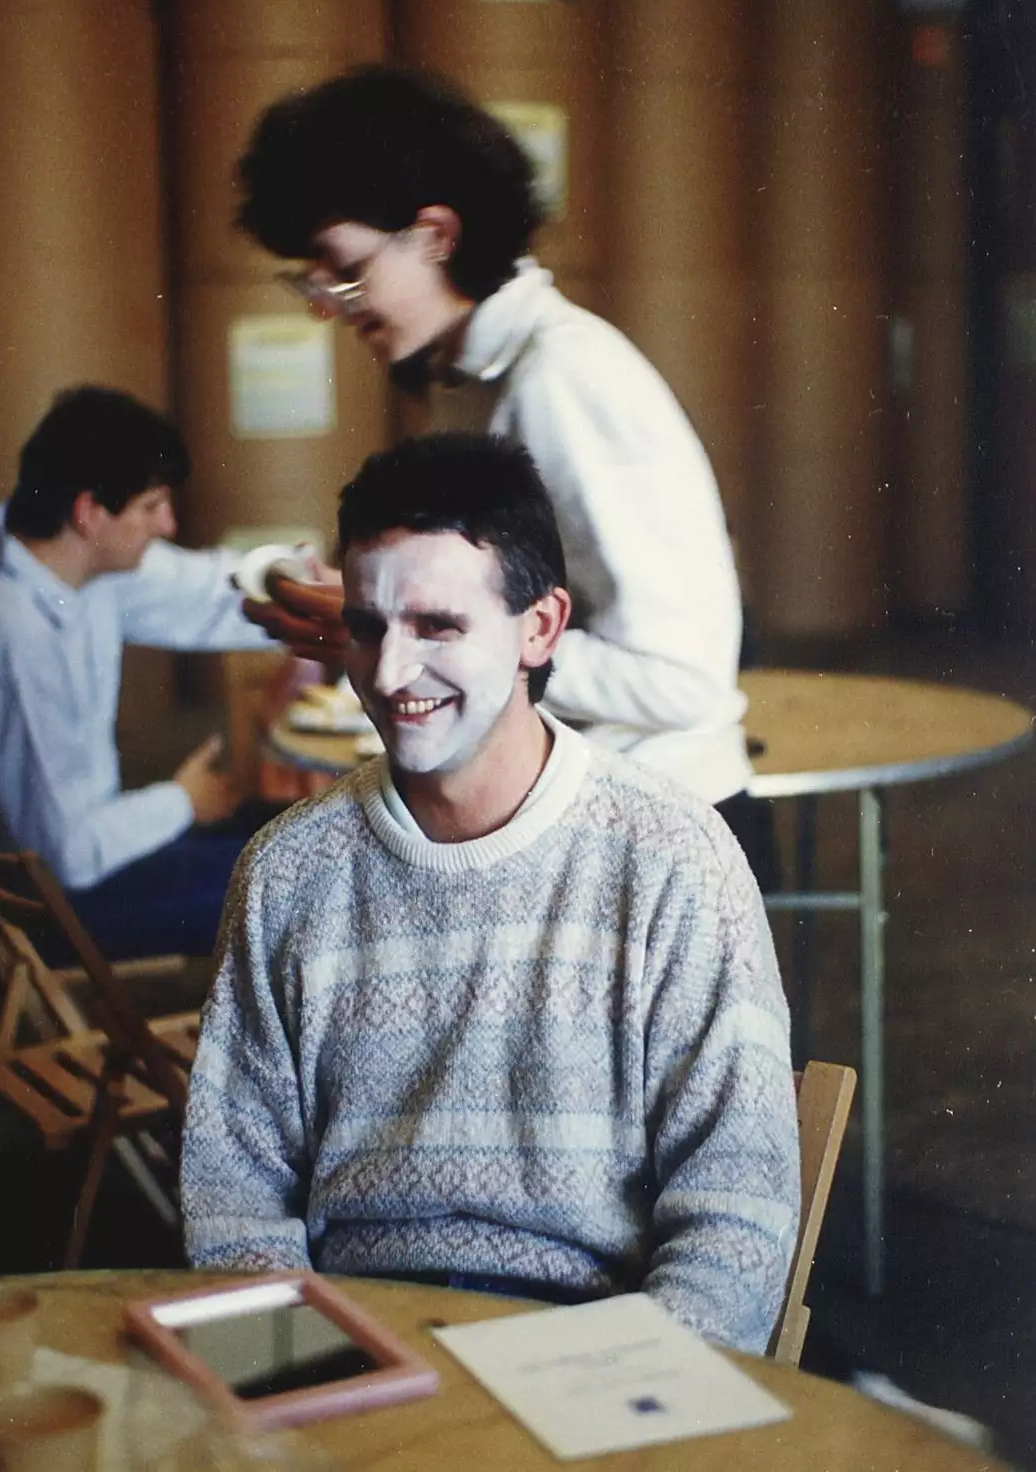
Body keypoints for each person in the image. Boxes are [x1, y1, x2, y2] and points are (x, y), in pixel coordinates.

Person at [182, 433, 799, 1355]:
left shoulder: (672, 858)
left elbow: (737, 1216)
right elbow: (234, 1196)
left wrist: (626, 1397)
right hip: (357, 1347)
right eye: (366, 626)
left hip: (594, 1351)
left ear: (539, 629)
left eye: (437, 627)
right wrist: (303, 1383)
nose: (388, 676)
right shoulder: (287, 871)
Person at [233, 64, 777, 887]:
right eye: (312, 280)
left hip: (662, 842)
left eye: (343, 271)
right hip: (562, 814)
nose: (324, 307)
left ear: (435, 235)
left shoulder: (562, 379)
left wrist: (436, 636)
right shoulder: (464, 380)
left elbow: (682, 682)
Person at [0, 385, 276, 961]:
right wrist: (181, 800)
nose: (168, 524)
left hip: (105, 847)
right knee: (293, 883)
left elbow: (204, 589)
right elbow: (63, 854)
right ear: (90, 512)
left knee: (286, 832)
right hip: (59, 907)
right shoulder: (15, 633)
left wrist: (308, 588)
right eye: (152, 506)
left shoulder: (74, 564)